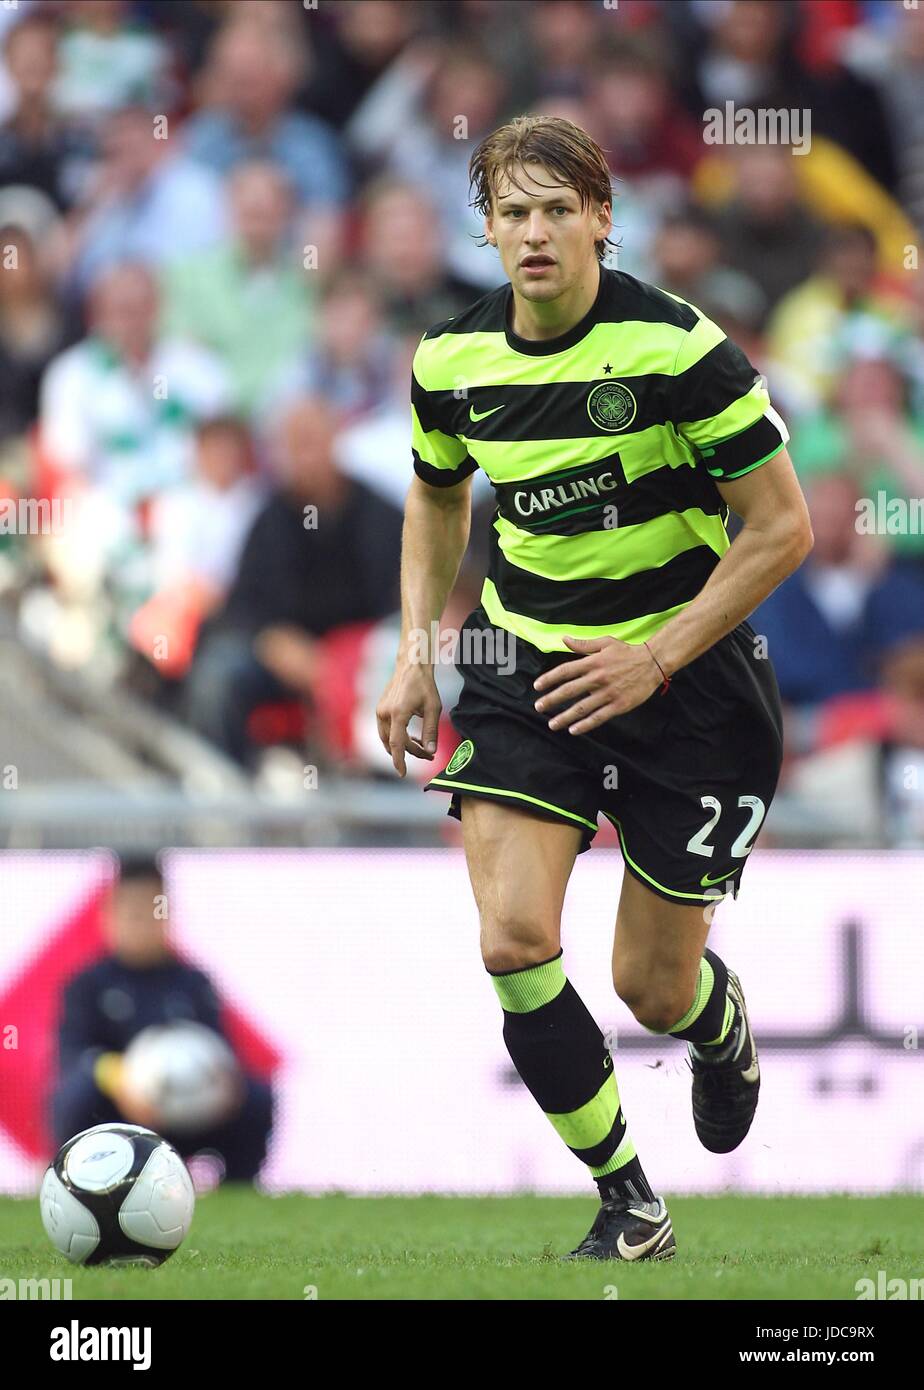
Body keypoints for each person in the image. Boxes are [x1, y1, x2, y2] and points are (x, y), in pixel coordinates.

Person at [376, 115, 813, 1261]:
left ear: (602, 220)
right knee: (514, 938)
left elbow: (783, 529)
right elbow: (435, 498)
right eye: (513, 212)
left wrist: (660, 652)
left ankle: (716, 1024)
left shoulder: (678, 350)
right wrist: (418, 645)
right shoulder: (451, 362)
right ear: (486, 229)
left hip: (691, 685)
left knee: (650, 990)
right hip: (534, 673)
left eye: (557, 209)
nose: (534, 232)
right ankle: (630, 1204)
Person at [51, 854, 274, 1183]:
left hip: (188, 1107)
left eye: (151, 913)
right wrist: (121, 1079)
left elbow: (221, 1051)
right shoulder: (87, 984)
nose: (141, 924)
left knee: (256, 1094)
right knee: (78, 1092)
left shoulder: (193, 982)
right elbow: (73, 1054)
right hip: (120, 1111)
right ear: (109, 917)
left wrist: (218, 1082)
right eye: (132, 913)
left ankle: (240, 1187)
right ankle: (78, 1180)